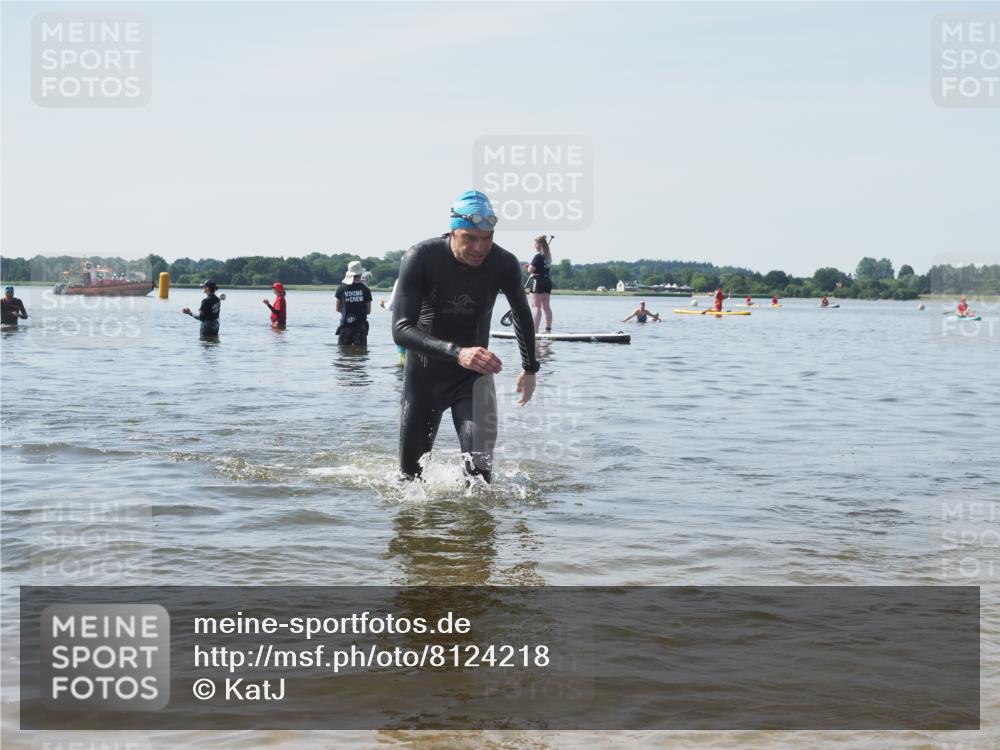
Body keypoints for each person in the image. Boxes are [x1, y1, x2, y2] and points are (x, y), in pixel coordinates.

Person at [392, 190, 539, 484]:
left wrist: (530, 367)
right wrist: (458, 352)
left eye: (487, 238)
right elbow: (401, 329)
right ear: (453, 231)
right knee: (409, 480)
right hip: (423, 378)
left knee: (480, 477)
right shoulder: (421, 258)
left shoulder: (503, 263)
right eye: (470, 238)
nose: (479, 247)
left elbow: (522, 314)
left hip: (473, 379)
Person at [335, 261, 372, 346]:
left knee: (343, 354)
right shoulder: (365, 289)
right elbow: (368, 311)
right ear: (360, 274)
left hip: (345, 327)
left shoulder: (341, 288)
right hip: (360, 327)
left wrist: (348, 314)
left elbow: (337, 308)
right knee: (361, 354)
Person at [525, 235, 553, 333]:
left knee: (536, 306)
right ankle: (548, 329)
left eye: (535, 244)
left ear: (539, 244)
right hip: (547, 281)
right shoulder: (548, 256)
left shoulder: (538, 256)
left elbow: (531, 270)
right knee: (546, 306)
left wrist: (528, 267)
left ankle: (535, 330)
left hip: (538, 281)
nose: (534, 246)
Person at [380, 278, 407, 364]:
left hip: (405, 327)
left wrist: (383, 304)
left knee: (403, 364)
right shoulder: (435, 277)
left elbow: (391, 306)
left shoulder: (401, 279)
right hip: (428, 329)